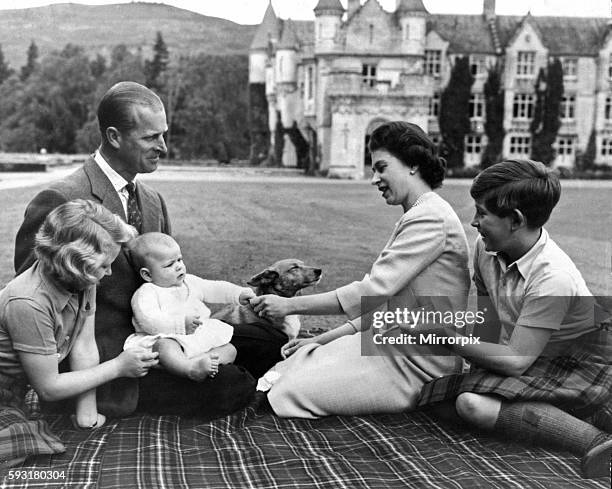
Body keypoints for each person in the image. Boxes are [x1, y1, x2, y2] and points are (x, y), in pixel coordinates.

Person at [13, 81, 263, 418]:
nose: (163, 146)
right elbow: (37, 305)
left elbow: (171, 283)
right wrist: (105, 373)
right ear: (114, 137)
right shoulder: (61, 200)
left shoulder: (151, 201)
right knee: (233, 384)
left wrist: (199, 322)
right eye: (150, 137)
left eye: (163, 134)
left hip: (163, 340)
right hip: (107, 362)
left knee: (264, 339)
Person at [250, 121, 471, 418]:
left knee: (288, 392)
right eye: (373, 170)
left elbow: (372, 292)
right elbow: (386, 307)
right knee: (296, 361)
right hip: (389, 345)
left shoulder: (430, 218)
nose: (374, 179)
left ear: (413, 165)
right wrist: (321, 339)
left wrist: (289, 305)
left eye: (381, 168)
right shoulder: (419, 213)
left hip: (419, 363)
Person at [416, 159, 612, 478]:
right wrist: (480, 365)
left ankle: (597, 441)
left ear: (515, 220)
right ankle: (561, 417)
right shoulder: (485, 248)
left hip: (586, 363)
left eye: (482, 213)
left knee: (470, 405)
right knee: (434, 398)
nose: (473, 222)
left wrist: (446, 337)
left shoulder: (553, 277)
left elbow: (516, 361)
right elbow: (488, 317)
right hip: (536, 357)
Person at [0, 200, 159, 468]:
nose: (109, 272)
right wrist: (119, 366)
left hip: (16, 391)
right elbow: (49, 388)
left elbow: (84, 345)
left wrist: (87, 411)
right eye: (104, 265)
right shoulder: (28, 302)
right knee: (23, 442)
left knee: (29, 435)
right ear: (72, 262)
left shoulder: (81, 277)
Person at [126, 232, 255, 381]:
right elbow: (148, 320)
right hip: (167, 336)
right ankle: (189, 369)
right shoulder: (147, 292)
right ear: (147, 275)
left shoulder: (189, 282)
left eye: (179, 260)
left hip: (195, 337)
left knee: (230, 349)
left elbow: (213, 288)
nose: (179, 267)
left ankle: (205, 362)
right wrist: (180, 324)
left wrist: (237, 294)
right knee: (164, 347)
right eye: (169, 265)